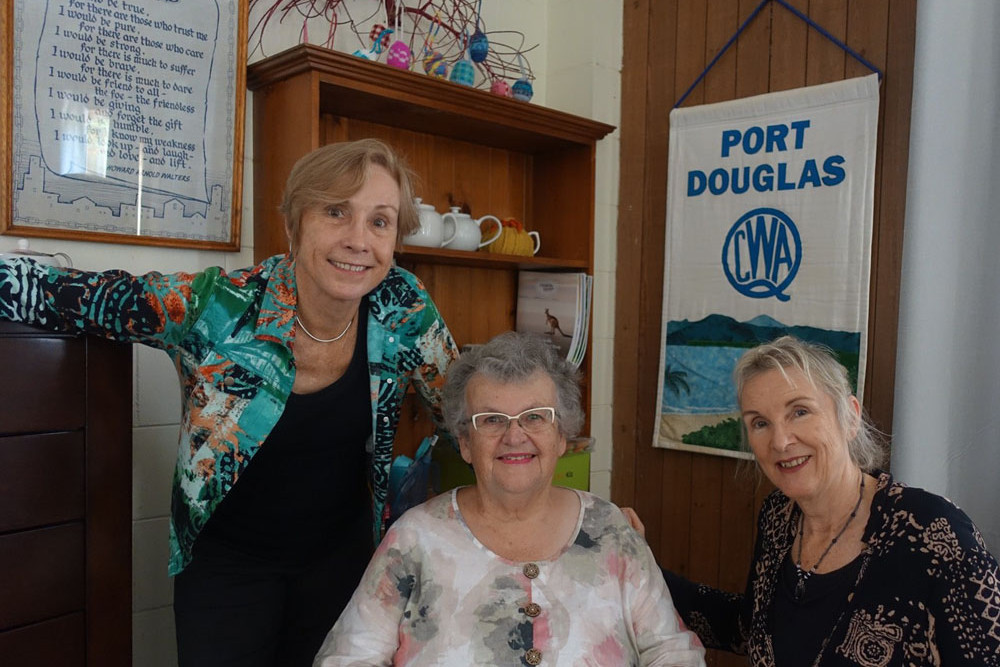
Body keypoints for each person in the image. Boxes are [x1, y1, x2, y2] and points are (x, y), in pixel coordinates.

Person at [0, 139, 459, 666]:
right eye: (336, 212)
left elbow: (462, 408)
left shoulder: (401, 305)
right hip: (227, 567)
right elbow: (84, 296)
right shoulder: (219, 305)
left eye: (380, 222)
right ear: (293, 224)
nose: (358, 240)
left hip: (345, 561)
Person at [314, 331, 706, 667]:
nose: (514, 436)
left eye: (535, 417)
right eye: (491, 420)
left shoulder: (612, 531)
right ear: (465, 443)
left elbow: (672, 650)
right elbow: (349, 657)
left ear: (563, 435)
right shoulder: (415, 539)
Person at [654, 336, 1000, 665]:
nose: (781, 440)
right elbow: (748, 628)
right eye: (760, 423)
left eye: (799, 412)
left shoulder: (933, 531)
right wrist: (637, 564)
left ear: (850, 416)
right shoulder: (778, 516)